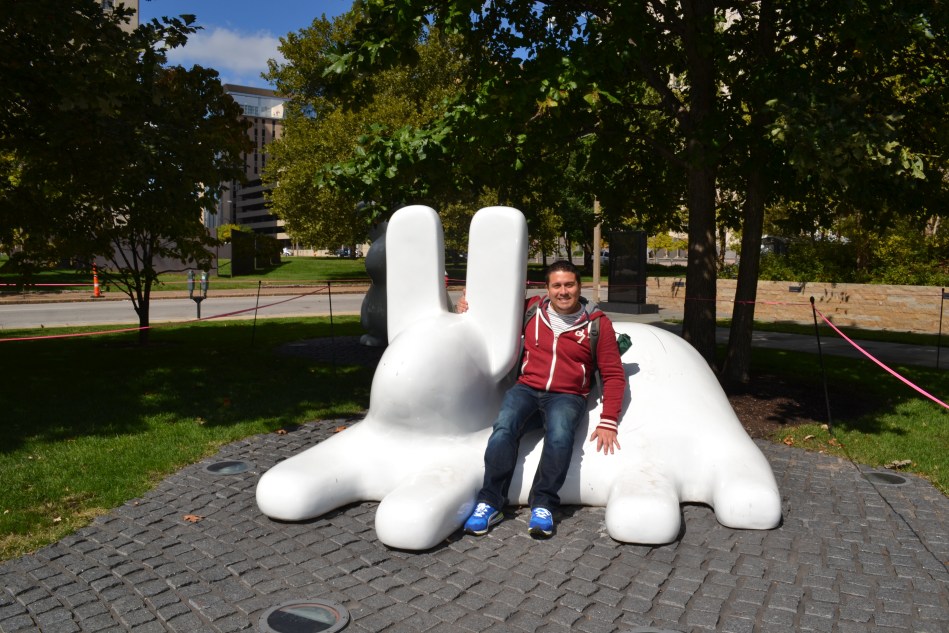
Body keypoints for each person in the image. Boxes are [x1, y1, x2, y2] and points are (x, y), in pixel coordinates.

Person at [459, 260, 626, 538]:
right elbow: (489, 312)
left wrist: (609, 420)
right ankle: (490, 502)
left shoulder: (597, 324)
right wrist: (465, 307)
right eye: (557, 285)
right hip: (526, 388)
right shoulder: (532, 310)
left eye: (569, 284)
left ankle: (544, 504)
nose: (563, 291)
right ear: (547, 288)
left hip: (567, 395)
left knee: (560, 435)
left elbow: (613, 374)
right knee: (503, 428)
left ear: (579, 286)